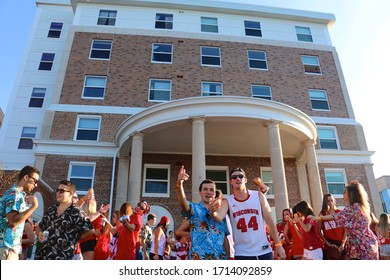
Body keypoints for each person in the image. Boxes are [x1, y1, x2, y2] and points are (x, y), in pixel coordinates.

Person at [211, 167, 285, 260]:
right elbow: (218, 217)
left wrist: (278, 244)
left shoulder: (258, 195)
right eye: (234, 177)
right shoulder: (227, 201)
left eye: (241, 176)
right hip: (242, 253)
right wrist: (212, 210)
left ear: (245, 180)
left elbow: (269, 220)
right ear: (231, 181)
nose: (238, 178)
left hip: (264, 250)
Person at [176, 165, 229, 260]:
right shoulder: (194, 209)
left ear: (214, 194)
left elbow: (224, 238)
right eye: (205, 189)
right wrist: (180, 184)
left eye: (211, 190)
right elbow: (183, 202)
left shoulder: (221, 213)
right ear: (200, 192)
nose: (208, 192)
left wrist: (230, 259)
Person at [34, 180, 95, 260]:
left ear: (70, 194)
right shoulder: (51, 209)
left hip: (63, 256)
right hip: (43, 255)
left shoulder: (77, 212)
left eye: (62, 191)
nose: (58, 193)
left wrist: (74, 237)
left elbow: (91, 230)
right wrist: (39, 234)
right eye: (57, 190)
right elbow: (39, 227)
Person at [319, 180, 379, 260]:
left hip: (363, 248)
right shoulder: (358, 206)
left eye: (344, 192)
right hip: (361, 246)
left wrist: (319, 217)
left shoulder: (353, 208)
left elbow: (337, 216)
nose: (342, 194)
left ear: (350, 195)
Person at [0, 165, 39, 260]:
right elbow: (12, 221)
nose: (36, 185)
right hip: (6, 248)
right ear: (26, 177)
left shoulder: (17, 194)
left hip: (8, 248)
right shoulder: (15, 194)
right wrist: (34, 207)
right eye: (35, 181)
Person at [318, 194, 346, 259]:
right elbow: (318, 231)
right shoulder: (322, 214)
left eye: (331, 200)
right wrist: (327, 243)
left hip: (341, 242)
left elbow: (345, 229)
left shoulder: (339, 212)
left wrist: (343, 243)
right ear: (325, 202)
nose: (330, 203)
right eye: (328, 201)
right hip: (331, 244)